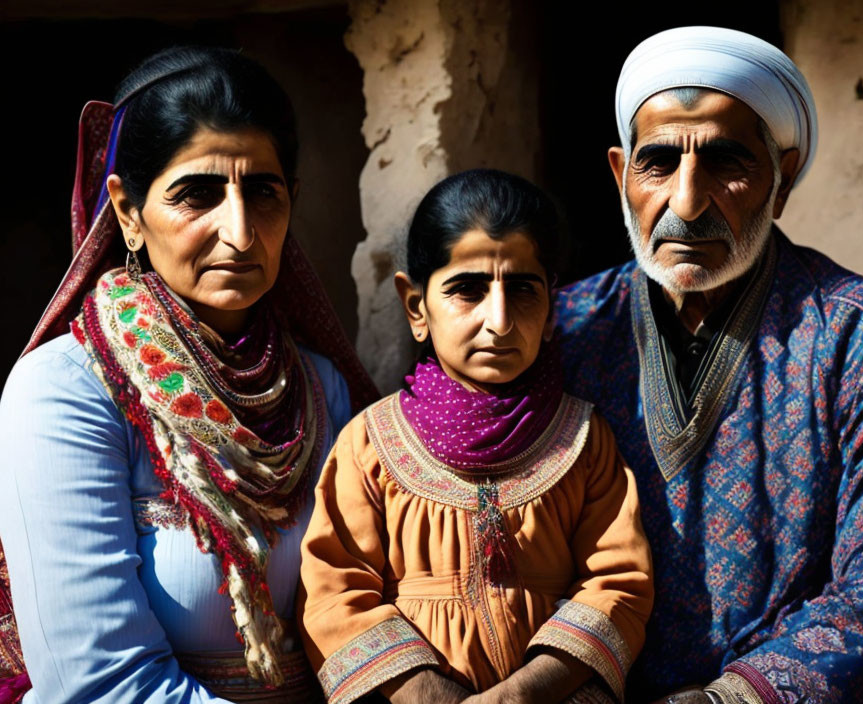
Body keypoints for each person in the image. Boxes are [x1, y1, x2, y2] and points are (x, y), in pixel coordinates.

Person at [0, 46, 378, 704]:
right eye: (196, 194)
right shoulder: (66, 390)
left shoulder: (321, 390)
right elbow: (97, 682)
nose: (239, 232)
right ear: (126, 211)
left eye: (263, 192)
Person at [556, 26, 863, 704]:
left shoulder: (857, 333)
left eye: (724, 161)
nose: (686, 202)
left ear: (784, 175)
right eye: (658, 163)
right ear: (622, 175)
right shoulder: (566, 329)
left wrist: (730, 698)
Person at [300, 169, 653, 704]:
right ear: (416, 307)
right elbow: (334, 595)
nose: (500, 321)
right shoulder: (369, 445)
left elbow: (618, 585)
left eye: (523, 290)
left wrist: (521, 695)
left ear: (552, 308)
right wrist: (432, 695)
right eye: (467, 290)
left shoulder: (583, 441)